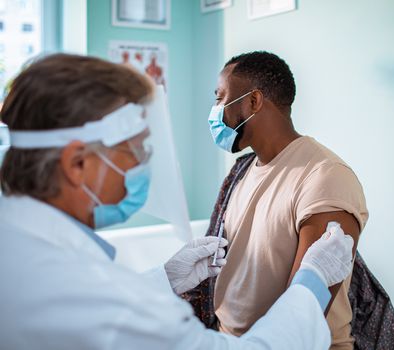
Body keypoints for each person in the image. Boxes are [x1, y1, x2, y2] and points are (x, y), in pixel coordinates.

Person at [0, 53, 355, 349]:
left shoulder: (17, 242)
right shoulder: (100, 297)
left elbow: (80, 306)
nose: (142, 161)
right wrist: (312, 283)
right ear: (78, 164)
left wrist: (163, 279)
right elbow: (105, 307)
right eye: (134, 148)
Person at [202, 51, 369, 349]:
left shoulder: (325, 176)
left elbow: (306, 314)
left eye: (220, 97)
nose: (216, 110)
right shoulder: (242, 170)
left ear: (253, 101)